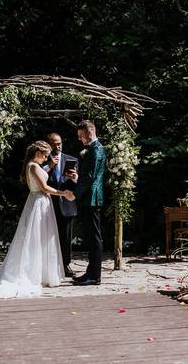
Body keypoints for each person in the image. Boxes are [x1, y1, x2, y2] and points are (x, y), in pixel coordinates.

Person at [0, 141, 75, 300]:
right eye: (45, 155)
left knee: (40, 237)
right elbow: (44, 188)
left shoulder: (33, 165)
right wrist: (65, 194)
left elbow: (43, 173)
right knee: (36, 238)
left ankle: (41, 272)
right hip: (39, 202)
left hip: (39, 202)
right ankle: (33, 274)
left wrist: (50, 167)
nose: (47, 158)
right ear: (38, 153)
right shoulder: (34, 166)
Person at [72, 120, 106, 285]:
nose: (79, 139)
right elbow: (88, 177)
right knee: (91, 238)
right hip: (89, 198)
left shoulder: (95, 150)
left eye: (80, 135)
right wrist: (77, 178)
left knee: (94, 238)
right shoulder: (94, 149)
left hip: (91, 199)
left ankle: (95, 276)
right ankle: (90, 273)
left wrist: (74, 194)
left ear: (88, 133)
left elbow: (91, 178)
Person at [42, 132, 78, 277]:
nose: (57, 147)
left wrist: (74, 178)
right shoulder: (42, 161)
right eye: (54, 144)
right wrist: (50, 165)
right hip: (48, 203)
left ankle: (65, 265)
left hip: (67, 203)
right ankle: (47, 266)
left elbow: (78, 183)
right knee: (46, 236)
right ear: (48, 145)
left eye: (59, 143)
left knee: (66, 237)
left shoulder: (72, 159)